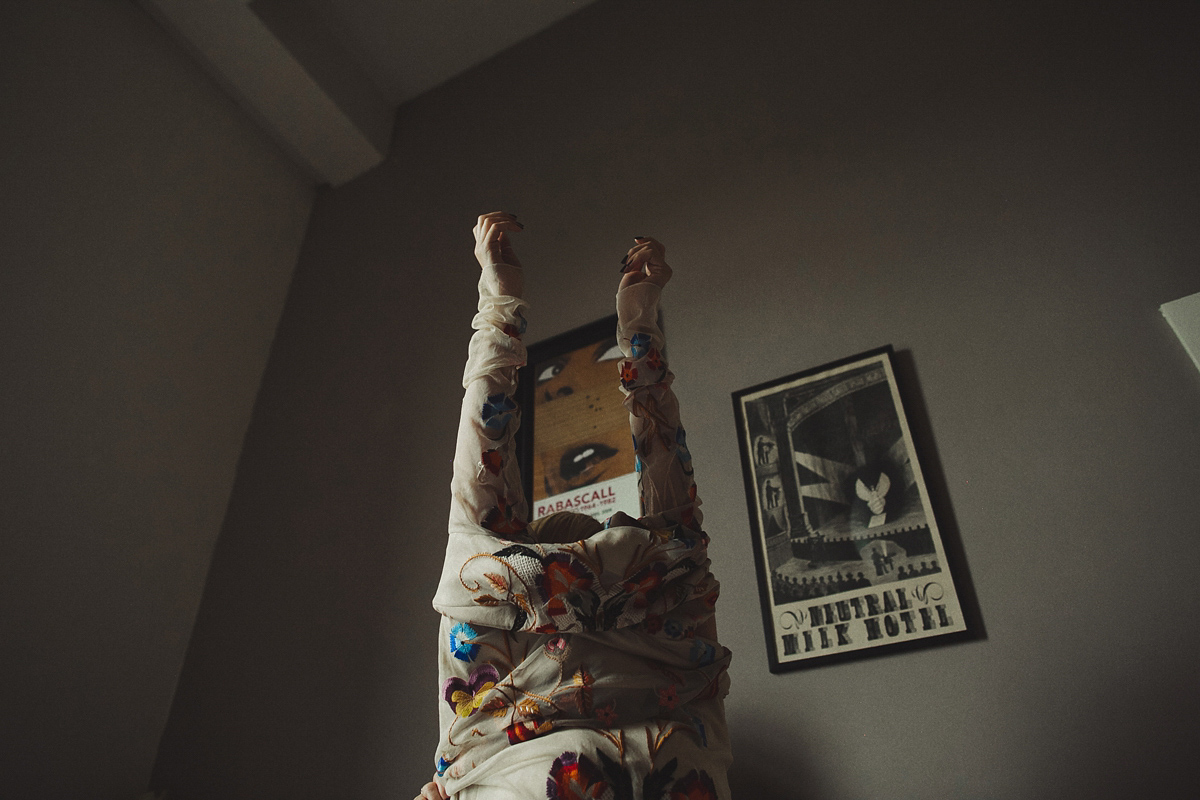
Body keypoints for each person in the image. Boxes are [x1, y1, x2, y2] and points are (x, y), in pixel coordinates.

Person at [417, 213, 731, 800]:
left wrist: (499, 301)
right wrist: (639, 315)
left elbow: (481, 453)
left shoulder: (494, 585)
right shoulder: (667, 571)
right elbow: (667, 454)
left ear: (526, 544)